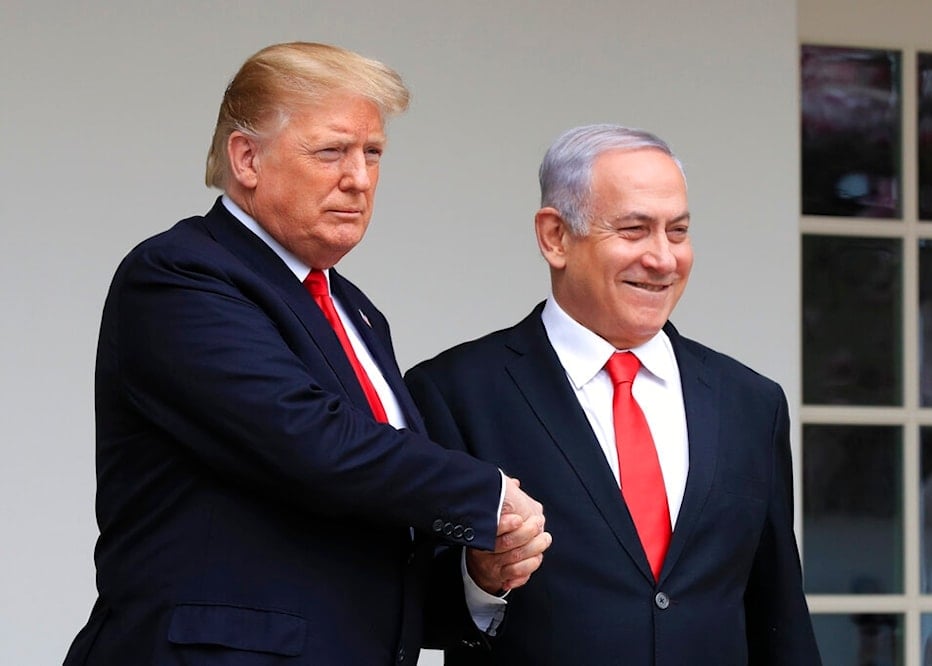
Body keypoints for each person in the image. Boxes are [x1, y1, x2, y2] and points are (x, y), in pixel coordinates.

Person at [63, 42, 549, 666]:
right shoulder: (179, 275)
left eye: (373, 153)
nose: (360, 178)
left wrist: (476, 575)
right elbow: (312, 443)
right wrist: (486, 496)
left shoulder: (355, 311)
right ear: (247, 158)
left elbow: (366, 532)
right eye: (331, 151)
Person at [405, 124, 822, 665]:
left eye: (678, 231)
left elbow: (778, 613)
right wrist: (481, 578)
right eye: (634, 230)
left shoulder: (750, 402)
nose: (663, 259)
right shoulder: (452, 392)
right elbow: (403, 604)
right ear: (555, 237)